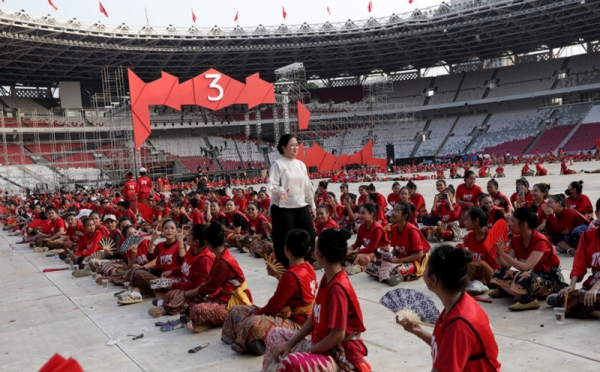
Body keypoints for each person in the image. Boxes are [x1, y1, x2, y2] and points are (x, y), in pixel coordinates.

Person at [263, 228, 371, 372]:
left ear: (318, 254)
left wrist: (308, 353)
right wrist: (290, 343)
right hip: (320, 343)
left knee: (291, 362)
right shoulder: (328, 277)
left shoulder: (338, 288)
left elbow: (337, 335)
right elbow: (315, 316)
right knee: (274, 334)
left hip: (338, 354)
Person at [398, 245, 501, 372]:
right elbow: (448, 348)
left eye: (425, 269)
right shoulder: (459, 303)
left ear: (434, 279)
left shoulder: (459, 323)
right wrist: (419, 332)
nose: (423, 274)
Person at [222, 230, 317, 356]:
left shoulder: (291, 275)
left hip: (296, 324)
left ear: (286, 250)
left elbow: (273, 307)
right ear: (308, 249)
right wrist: (279, 277)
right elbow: (293, 293)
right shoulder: (308, 267)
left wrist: (250, 318)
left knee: (251, 324)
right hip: (304, 320)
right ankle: (250, 339)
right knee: (236, 311)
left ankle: (251, 339)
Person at [176, 222, 253, 333]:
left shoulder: (223, 263)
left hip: (233, 303)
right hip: (220, 296)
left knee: (197, 308)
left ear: (206, 242)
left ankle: (208, 320)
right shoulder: (220, 255)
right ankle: (202, 320)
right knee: (186, 302)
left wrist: (185, 294)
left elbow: (208, 287)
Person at [489, 207, 566, 311]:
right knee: (498, 272)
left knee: (524, 276)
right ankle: (513, 291)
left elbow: (526, 267)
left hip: (549, 280)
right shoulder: (516, 239)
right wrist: (496, 254)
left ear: (524, 224)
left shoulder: (540, 241)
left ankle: (527, 299)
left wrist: (502, 253)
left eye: (513, 221)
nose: (509, 224)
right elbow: (506, 265)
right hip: (528, 276)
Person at [268, 134, 317, 268]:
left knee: (310, 234)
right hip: (282, 208)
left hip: (300, 205)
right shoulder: (278, 164)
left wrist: (312, 205)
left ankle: (303, 262)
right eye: (292, 145)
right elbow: (272, 185)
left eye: (297, 145)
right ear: (283, 147)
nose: (295, 147)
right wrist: (281, 192)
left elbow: (307, 186)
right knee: (285, 239)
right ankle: (285, 267)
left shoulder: (301, 165)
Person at [548, 198, 600, 318]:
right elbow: (579, 264)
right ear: (597, 214)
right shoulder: (588, 236)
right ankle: (582, 306)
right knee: (561, 297)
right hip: (593, 284)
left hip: (597, 286)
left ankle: (582, 308)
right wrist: (572, 285)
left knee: (578, 300)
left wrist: (595, 288)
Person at [149, 224, 214, 317]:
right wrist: (172, 272)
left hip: (195, 290)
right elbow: (184, 266)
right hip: (183, 282)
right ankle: (161, 305)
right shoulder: (192, 248)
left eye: (189, 235)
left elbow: (198, 285)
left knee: (170, 296)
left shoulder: (205, 258)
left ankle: (167, 305)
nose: (186, 236)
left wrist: (174, 285)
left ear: (196, 242)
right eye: (166, 228)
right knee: (156, 283)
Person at [119, 219, 185, 305]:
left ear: (176, 231)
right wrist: (153, 239)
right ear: (162, 231)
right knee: (136, 273)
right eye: (166, 228)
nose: (169, 230)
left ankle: (137, 293)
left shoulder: (180, 245)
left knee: (139, 273)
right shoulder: (160, 245)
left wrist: (180, 242)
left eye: (172, 228)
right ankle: (137, 292)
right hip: (160, 278)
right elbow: (150, 256)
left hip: (173, 280)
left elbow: (182, 261)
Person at [365, 202, 429, 286]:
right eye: (393, 210)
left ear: (405, 216)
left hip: (414, 261)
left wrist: (398, 261)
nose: (392, 213)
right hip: (400, 259)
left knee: (397, 269)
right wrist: (390, 255)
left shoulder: (412, 231)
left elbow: (419, 254)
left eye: (396, 211)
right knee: (371, 265)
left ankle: (394, 275)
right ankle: (390, 275)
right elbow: (396, 248)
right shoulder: (394, 228)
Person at [463, 208, 500, 295]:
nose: (464, 222)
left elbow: (494, 265)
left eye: (466, 219)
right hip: (476, 270)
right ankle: (474, 282)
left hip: (492, 273)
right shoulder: (470, 236)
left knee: (479, 264)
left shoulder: (492, 237)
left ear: (476, 221)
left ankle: (479, 283)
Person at [346, 203, 390, 275]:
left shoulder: (377, 228)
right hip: (369, 250)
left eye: (363, 213)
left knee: (361, 257)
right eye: (359, 213)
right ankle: (354, 265)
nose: (360, 215)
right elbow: (357, 243)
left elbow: (372, 249)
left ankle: (358, 267)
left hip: (378, 252)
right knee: (344, 253)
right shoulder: (362, 227)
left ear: (371, 215)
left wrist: (352, 252)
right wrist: (347, 249)